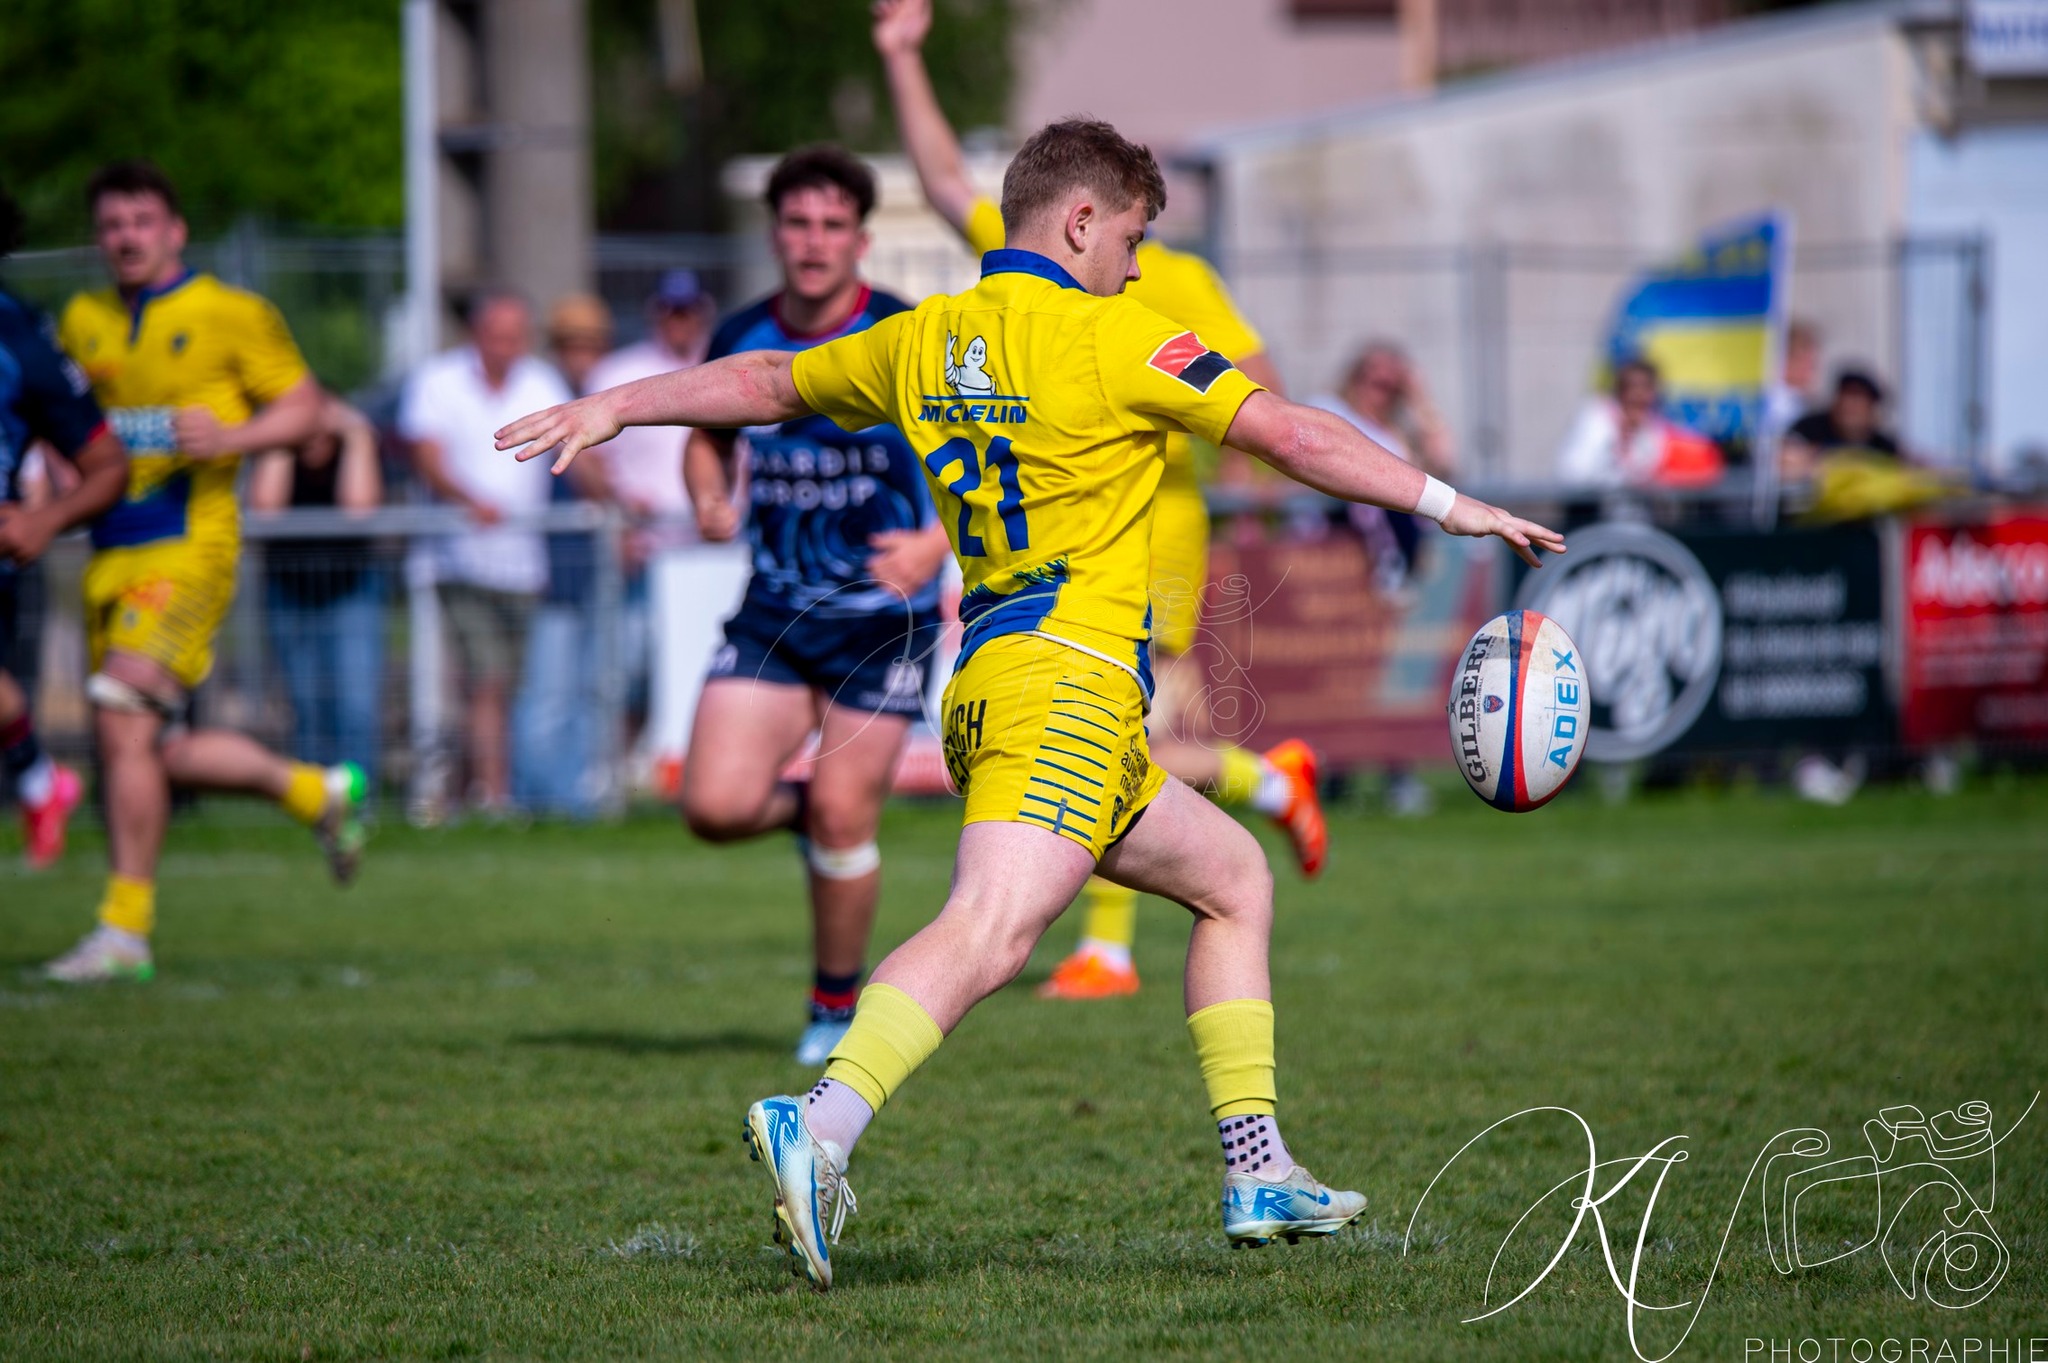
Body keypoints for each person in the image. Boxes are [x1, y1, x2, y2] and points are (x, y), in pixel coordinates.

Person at [496, 116, 1564, 1290]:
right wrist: (1451, 504)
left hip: (997, 685)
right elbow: (1290, 431)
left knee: (1231, 879)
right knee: (993, 930)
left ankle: (1258, 1166)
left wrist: (618, 404)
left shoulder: (918, 334)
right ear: (1080, 220)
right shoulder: (1121, 337)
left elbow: (760, 381)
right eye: (1135, 236)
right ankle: (824, 1121)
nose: (1139, 264)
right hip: (1065, 683)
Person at [873, 0, 1327, 1003]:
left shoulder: (1166, 279)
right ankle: (1265, 784)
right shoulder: (1035, 265)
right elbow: (946, 181)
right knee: (1141, 732)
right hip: (1061, 552)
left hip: (1151, 527)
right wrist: (902, 57)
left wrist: (1257, 476)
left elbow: (1260, 386)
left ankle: (1116, 943)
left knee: (1138, 722)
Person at [44, 161, 368, 983]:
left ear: (175, 230)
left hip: (192, 543)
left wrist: (232, 439)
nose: (126, 236)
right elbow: (65, 427)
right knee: (146, 746)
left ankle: (124, 930)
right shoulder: (80, 319)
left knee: (120, 715)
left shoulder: (229, 312)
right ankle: (316, 791)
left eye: (142, 221)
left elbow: (307, 407)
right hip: (106, 551)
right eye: (113, 223)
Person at [679, 147, 951, 1066]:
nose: (814, 241)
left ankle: (835, 1006)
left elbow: (987, 459)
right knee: (712, 807)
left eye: (833, 225)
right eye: (798, 223)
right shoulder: (743, 332)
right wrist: (708, 494)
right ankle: (819, 812)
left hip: (882, 618)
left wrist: (935, 543)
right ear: (774, 234)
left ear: (861, 240)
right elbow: (704, 436)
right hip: (776, 612)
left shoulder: (909, 335)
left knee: (846, 816)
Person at [398, 290, 568, 815]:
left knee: (502, 687)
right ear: (477, 334)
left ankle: (473, 787)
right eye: (498, 335)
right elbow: (424, 454)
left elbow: (577, 446)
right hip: (459, 561)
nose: (507, 346)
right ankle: (494, 796)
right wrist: (471, 502)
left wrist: (618, 498)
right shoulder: (438, 380)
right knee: (487, 678)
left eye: (516, 336)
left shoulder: (542, 381)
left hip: (522, 566)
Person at [0, 182, 129, 869]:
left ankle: (39, 780)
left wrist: (45, 518)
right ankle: (39, 779)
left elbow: (109, 463)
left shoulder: (21, 337)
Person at [1310, 339, 1455, 817]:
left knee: (1395, 672)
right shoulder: (1330, 413)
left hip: (1395, 574)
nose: (1382, 392)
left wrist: (1420, 399)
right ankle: (1332, 776)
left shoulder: (1398, 432)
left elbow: (1445, 465)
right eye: (1375, 380)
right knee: (1339, 674)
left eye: (1393, 384)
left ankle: (1396, 773)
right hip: (1341, 567)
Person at [585, 270, 717, 731]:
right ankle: (621, 768)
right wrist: (619, 509)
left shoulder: (725, 367)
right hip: (647, 549)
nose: (678, 322)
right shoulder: (619, 373)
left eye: (687, 312)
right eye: (670, 312)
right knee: (631, 666)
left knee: (706, 663)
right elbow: (589, 459)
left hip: (713, 551)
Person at [248, 391, 386, 793]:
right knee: (306, 706)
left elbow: (359, 510)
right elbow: (266, 510)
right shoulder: (281, 453)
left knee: (356, 707)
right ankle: (314, 800)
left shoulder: (352, 447)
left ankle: (360, 801)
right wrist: (283, 436)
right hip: (290, 593)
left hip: (350, 591)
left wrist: (358, 437)